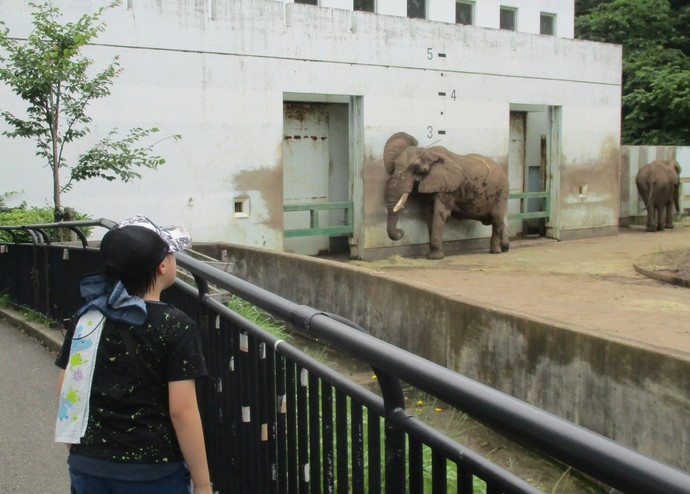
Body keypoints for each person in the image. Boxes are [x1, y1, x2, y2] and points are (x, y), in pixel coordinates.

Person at [55, 215, 212, 494]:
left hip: (89, 464)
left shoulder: (88, 318)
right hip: (153, 471)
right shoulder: (176, 325)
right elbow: (182, 411)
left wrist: (83, 453)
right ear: (163, 265)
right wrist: (202, 484)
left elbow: (66, 391)